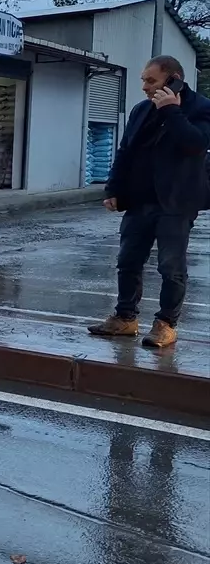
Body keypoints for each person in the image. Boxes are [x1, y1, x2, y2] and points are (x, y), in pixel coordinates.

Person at [88, 55, 210, 347]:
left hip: (176, 203)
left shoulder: (201, 108)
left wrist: (171, 111)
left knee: (171, 267)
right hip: (140, 201)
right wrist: (113, 189)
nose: (144, 86)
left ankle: (166, 324)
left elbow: (195, 145)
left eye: (150, 80)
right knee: (127, 261)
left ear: (175, 80)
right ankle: (125, 318)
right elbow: (125, 151)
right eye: (144, 79)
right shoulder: (141, 110)